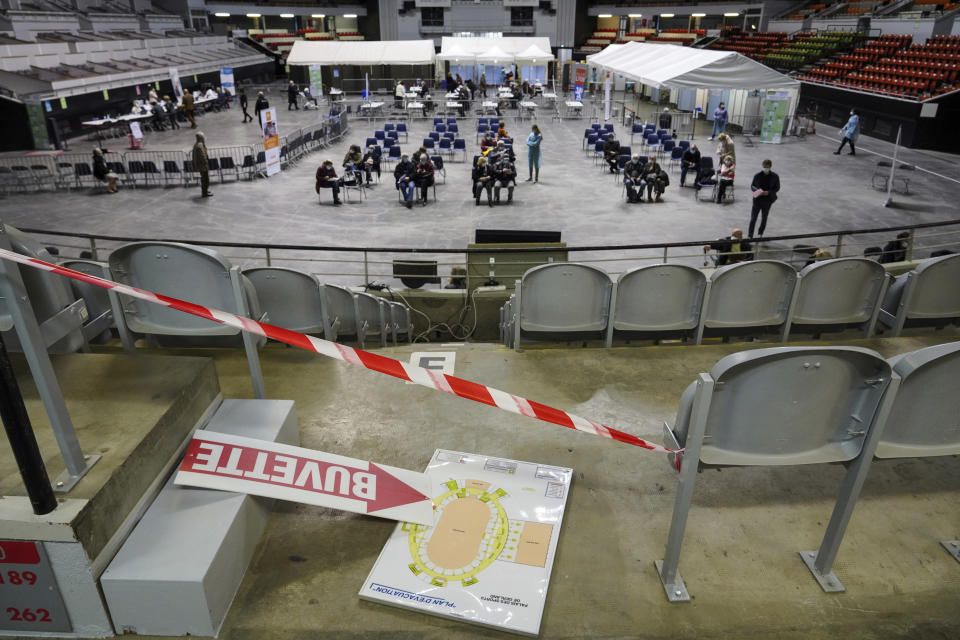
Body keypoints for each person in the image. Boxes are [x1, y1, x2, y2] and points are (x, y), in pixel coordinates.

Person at [748, 159, 780, 238]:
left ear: (770, 167)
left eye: (767, 167)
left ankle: (760, 233)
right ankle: (750, 235)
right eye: (764, 166)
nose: (765, 168)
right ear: (762, 166)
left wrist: (768, 192)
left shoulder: (775, 177)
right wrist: (758, 191)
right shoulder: (757, 175)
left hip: (767, 200)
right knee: (753, 218)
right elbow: (752, 186)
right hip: (757, 200)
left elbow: (777, 188)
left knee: (764, 218)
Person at [192, 132, 212, 198]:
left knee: (204, 178)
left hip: (200, 165)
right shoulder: (199, 146)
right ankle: (204, 193)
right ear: (201, 138)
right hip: (203, 166)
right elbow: (202, 156)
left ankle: (205, 190)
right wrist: (206, 163)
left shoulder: (196, 144)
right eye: (203, 137)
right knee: (205, 179)